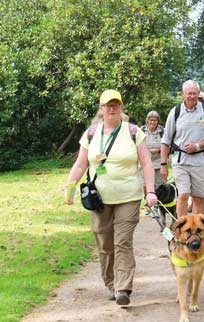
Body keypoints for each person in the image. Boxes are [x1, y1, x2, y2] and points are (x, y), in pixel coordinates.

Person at [64, 89, 158, 306]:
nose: (112, 108)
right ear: (101, 108)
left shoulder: (134, 132)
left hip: (128, 195)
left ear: (121, 108)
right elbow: (80, 163)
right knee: (105, 244)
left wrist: (150, 191)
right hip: (99, 198)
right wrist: (69, 186)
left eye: (116, 104)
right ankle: (110, 282)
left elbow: (145, 163)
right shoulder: (90, 134)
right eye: (108, 105)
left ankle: (123, 287)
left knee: (122, 242)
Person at [160, 80, 204, 217]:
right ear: (183, 94)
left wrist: (198, 146)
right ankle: (182, 229)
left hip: (200, 162)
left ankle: (195, 232)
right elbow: (166, 140)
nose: (192, 96)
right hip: (181, 161)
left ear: (199, 94)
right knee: (183, 195)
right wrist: (163, 164)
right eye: (189, 93)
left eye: (194, 93)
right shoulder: (176, 112)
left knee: (198, 199)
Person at [142, 111, 166, 188]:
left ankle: (158, 200)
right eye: (151, 120)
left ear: (158, 121)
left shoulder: (163, 131)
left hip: (159, 163)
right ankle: (147, 200)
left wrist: (158, 150)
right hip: (145, 164)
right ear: (147, 121)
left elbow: (168, 146)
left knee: (160, 187)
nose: (152, 122)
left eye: (155, 120)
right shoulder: (141, 130)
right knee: (146, 186)